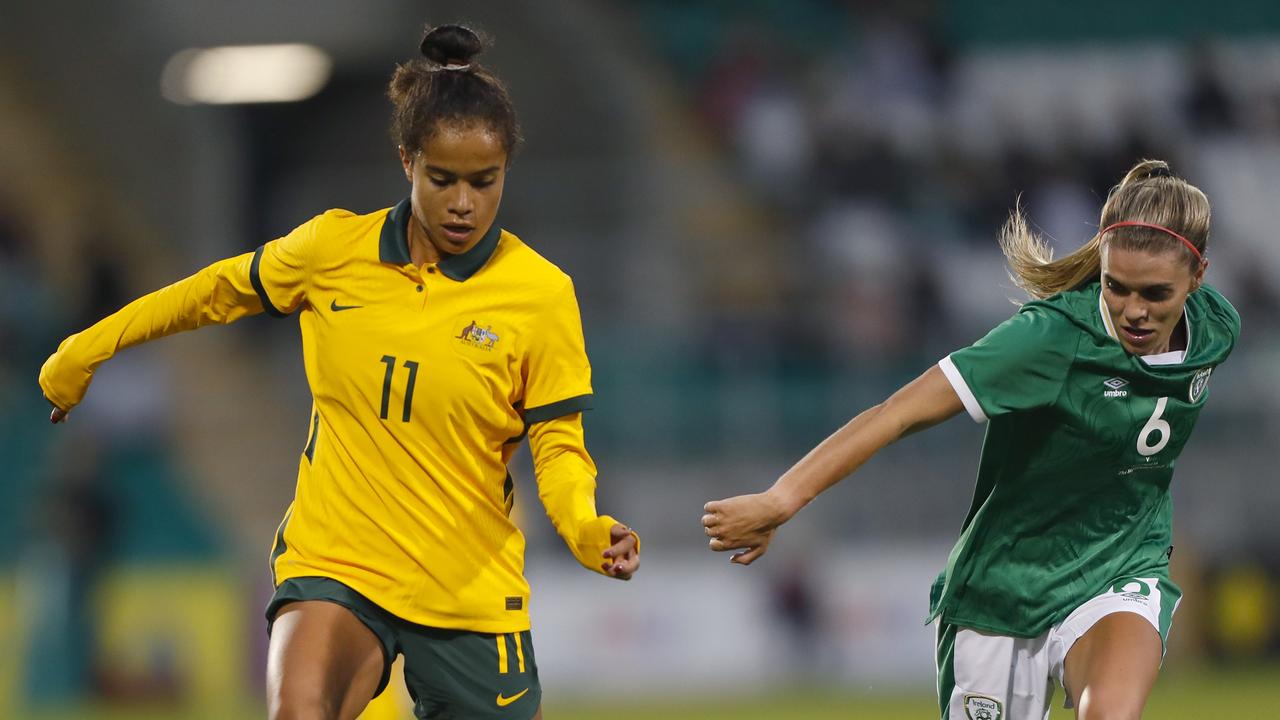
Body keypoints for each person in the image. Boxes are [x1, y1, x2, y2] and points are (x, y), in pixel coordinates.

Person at [39, 24, 639, 720]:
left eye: (486, 180)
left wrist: (585, 526)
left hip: (467, 584)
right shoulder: (331, 250)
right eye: (442, 179)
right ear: (406, 161)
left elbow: (559, 445)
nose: (464, 203)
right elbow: (211, 291)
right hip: (338, 561)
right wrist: (88, 349)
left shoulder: (540, 293)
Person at [702, 159, 1238, 720]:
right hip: (1004, 588)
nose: (1133, 310)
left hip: (1122, 566)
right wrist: (781, 499)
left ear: (1197, 277)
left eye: (1155, 293)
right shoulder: (1049, 339)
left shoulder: (1216, 329)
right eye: (1115, 286)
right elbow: (897, 414)